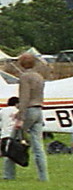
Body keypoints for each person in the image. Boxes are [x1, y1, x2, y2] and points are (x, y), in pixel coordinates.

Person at [3, 53, 48, 181]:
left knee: (11, 143)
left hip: (28, 111)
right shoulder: (39, 77)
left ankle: (8, 174)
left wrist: (20, 117)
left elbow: (24, 97)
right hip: (38, 110)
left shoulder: (25, 77)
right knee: (38, 146)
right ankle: (43, 176)